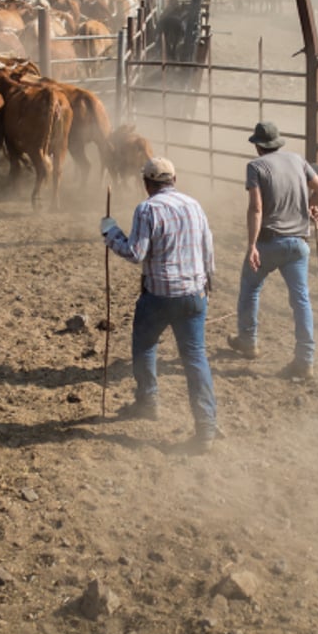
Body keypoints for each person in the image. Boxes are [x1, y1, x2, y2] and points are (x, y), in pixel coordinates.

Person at [100, 157, 218, 453]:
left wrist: (110, 232)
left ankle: (148, 400)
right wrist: (207, 284)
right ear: (174, 179)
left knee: (144, 345)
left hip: (160, 294)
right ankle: (206, 427)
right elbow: (208, 247)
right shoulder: (194, 205)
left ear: (147, 184)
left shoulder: (147, 209)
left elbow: (135, 253)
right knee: (195, 357)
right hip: (193, 294)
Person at [228, 121, 318, 380]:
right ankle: (305, 359)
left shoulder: (256, 167)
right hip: (298, 243)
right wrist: (308, 206)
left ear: (258, 145)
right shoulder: (298, 160)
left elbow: (256, 208)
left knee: (251, 288)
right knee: (301, 300)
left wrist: (251, 245)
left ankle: (249, 341)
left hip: (269, 242)